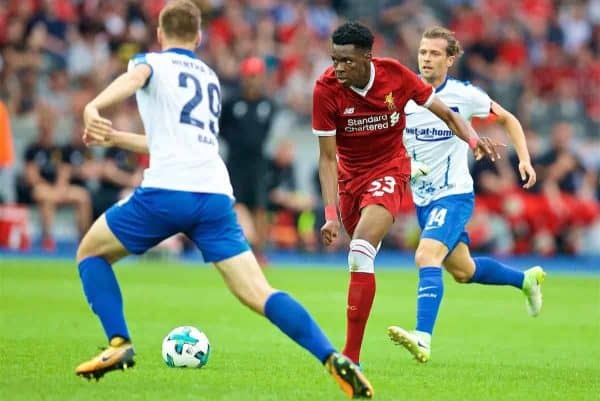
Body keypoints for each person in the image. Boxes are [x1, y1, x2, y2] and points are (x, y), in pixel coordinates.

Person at [74, 2, 373, 398]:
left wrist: (93, 107)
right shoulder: (210, 78)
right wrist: (115, 138)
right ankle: (331, 356)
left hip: (167, 190)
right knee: (259, 293)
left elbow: (135, 79)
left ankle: (119, 342)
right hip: (214, 194)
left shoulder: (151, 62)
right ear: (198, 38)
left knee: (90, 254)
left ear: (161, 36)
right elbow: (175, 141)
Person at [313, 21, 499, 366]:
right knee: (368, 256)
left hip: (390, 170)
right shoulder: (325, 89)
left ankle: (350, 358)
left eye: (347, 61)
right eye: (334, 59)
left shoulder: (394, 76)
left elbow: (446, 113)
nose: (338, 68)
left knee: (359, 250)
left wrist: (473, 140)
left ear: (368, 57)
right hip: (349, 180)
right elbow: (326, 158)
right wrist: (330, 215)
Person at [388, 26, 546, 363]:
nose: (426, 59)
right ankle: (526, 280)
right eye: (422, 52)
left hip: (454, 195)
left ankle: (423, 338)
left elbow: (508, 119)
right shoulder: (403, 95)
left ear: (450, 59)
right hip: (422, 200)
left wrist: (526, 160)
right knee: (463, 271)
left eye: (434, 54)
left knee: (425, 256)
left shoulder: (464, 95)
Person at [219, 56, 275, 263]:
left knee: (260, 206)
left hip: (258, 162)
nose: (253, 80)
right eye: (250, 76)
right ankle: (238, 248)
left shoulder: (268, 104)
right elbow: (221, 127)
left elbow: (267, 131)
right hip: (235, 162)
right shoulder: (232, 102)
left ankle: (259, 251)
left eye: (256, 76)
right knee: (236, 205)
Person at [18, 105, 92, 251]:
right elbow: (32, 177)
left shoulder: (59, 149)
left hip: (57, 188)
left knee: (82, 196)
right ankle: (47, 238)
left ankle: (84, 239)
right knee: (46, 196)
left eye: (50, 123)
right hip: (39, 188)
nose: (47, 127)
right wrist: (51, 189)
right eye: (44, 123)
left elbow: (63, 171)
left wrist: (60, 187)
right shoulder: (32, 149)